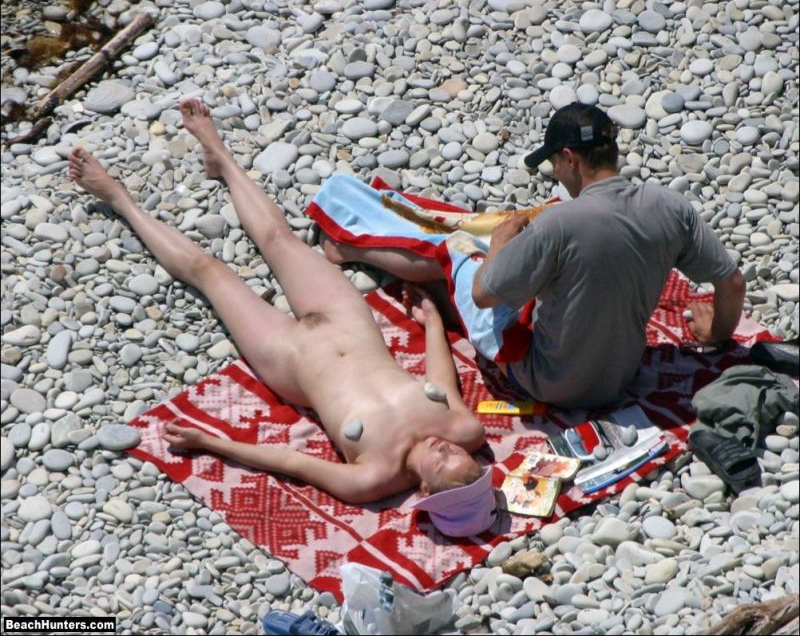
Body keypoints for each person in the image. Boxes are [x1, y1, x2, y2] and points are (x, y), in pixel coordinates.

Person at [68, 99, 496, 537]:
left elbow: (292, 462)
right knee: (279, 239)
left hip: (290, 359)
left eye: (441, 461)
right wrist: (431, 322)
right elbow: (441, 381)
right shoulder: (464, 429)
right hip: (348, 321)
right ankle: (220, 156)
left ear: (424, 490)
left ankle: (118, 198)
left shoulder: (371, 479)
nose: (444, 448)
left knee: (208, 272)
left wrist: (209, 443)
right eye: (458, 455)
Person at [323, 103, 746, 409]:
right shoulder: (670, 207)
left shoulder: (558, 224)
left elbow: (485, 294)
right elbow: (732, 282)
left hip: (550, 384)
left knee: (456, 250)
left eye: (554, 164)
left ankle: (347, 249)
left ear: (570, 159)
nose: (554, 174)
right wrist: (717, 333)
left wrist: (501, 242)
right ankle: (433, 290)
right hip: (620, 378)